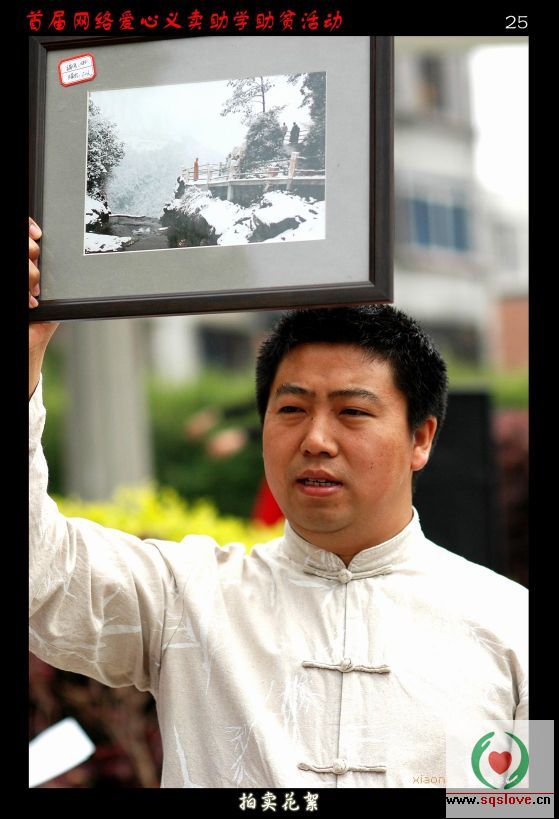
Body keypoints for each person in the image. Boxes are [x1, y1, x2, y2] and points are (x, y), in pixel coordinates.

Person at [29, 218, 527, 789]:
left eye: (352, 412)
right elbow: (41, 571)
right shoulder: (186, 598)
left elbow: (519, 802)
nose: (316, 439)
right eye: (291, 410)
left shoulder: (510, 626)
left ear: (420, 438)